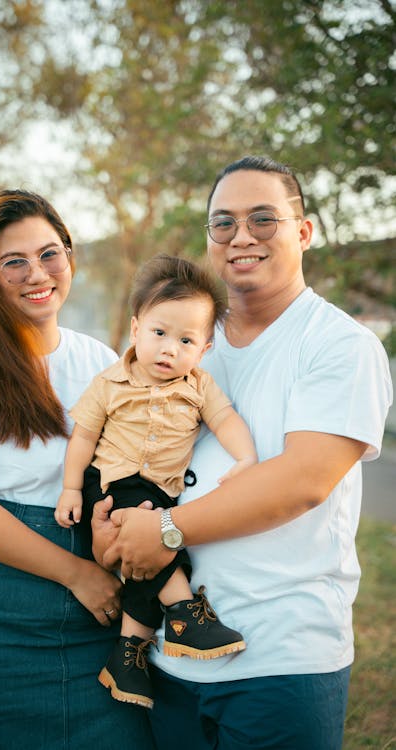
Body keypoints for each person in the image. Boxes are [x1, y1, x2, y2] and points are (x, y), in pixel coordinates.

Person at [92, 156, 393, 750]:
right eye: (222, 222)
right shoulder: (186, 342)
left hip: (280, 659)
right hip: (172, 658)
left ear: (304, 232)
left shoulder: (340, 345)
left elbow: (302, 481)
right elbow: (129, 447)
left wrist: (165, 531)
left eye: (264, 218)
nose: (241, 236)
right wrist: (114, 534)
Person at [0, 190, 155, 750]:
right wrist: (78, 574)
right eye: (14, 262)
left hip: (94, 624)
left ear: (70, 256)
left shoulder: (100, 360)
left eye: (50, 253)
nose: (36, 274)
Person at [55, 254, 257, 709]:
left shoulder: (200, 386)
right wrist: (70, 489)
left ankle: (128, 653)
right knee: (165, 549)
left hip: (159, 493)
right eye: (159, 333)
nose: (169, 349)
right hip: (111, 484)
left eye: (186, 340)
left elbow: (225, 420)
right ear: (135, 331)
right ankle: (184, 612)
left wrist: (246, 457)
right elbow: (83, 437)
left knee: (145, 567)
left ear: (204, 349)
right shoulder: (109, 382)